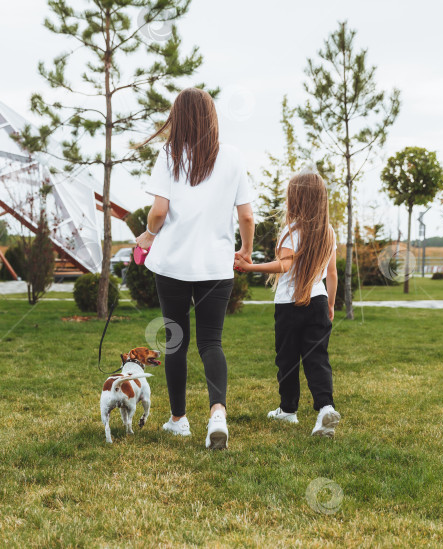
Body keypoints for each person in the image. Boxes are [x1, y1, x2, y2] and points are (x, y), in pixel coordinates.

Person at [135, 87, 255, 450]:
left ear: (180, 118)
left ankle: (179, 420)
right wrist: (246, 250)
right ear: (211, 117)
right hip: (216, 267)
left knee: (177, 344)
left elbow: (158, 212)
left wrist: (146, 235)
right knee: (211, 342)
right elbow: (247, 215)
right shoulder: (232, 157)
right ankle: (217, 413)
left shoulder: (169, 155)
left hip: (172, 265)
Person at [233, 170, 341, 437]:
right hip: (318, 302)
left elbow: (284, 264)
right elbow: (333, 273)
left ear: (296, 199)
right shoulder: (328, 232)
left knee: (288, 360)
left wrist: (251, 266)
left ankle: (288, 410)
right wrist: (330, 304)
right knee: (318, 360)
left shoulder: (291, 232)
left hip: (289, 306)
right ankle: (325, 408)